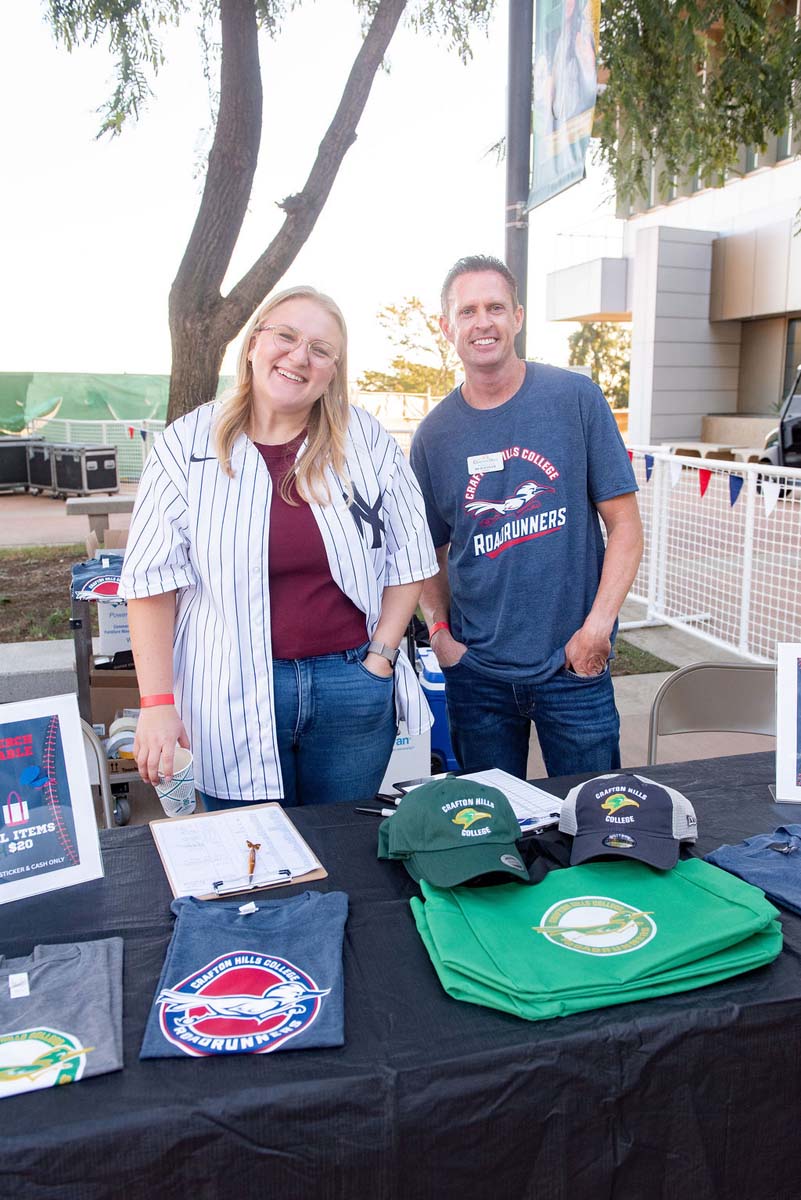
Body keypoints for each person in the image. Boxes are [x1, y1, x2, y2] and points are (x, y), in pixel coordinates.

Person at [119, 285, 437, 807]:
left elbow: (411, 554)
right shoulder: (186, 444)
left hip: (350, 684)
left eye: (320, 349)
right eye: (285, 336)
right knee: (248, 856)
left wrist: (380, 655)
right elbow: (152, 583)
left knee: (345, 848)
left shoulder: (365, 441)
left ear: (333, 370)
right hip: (229, 688)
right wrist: (156, 701)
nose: (298, 357)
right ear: (252, 345)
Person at [409, 255, 642, 780]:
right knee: (492, 833)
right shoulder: (435, 435)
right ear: (447, 327)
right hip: (478, 676)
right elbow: (428, 552)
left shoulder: (573, 398)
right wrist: (441, 634)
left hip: (574, 665)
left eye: (495, 307)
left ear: (517, 316)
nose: (482, 322)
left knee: (595, 822)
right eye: (467, 311)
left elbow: (625, 526)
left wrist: (597, 629)